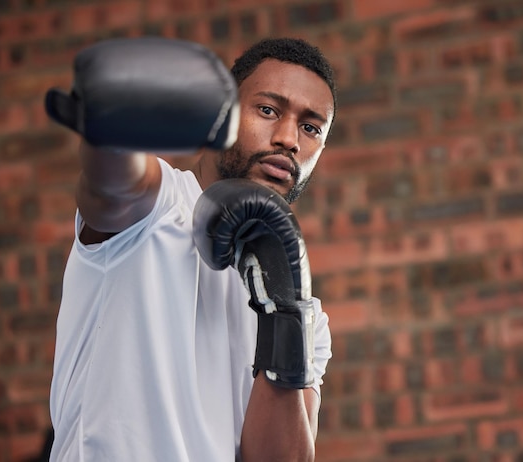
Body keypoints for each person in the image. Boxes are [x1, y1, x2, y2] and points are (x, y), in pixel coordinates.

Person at [44, 36, 336, 462]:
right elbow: (113, 183)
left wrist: (284, 309)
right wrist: (111, 127)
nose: (289, 139)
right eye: (268, 110)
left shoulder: (308, 318)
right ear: (226, 113)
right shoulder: (157, 206)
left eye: (310, 127)